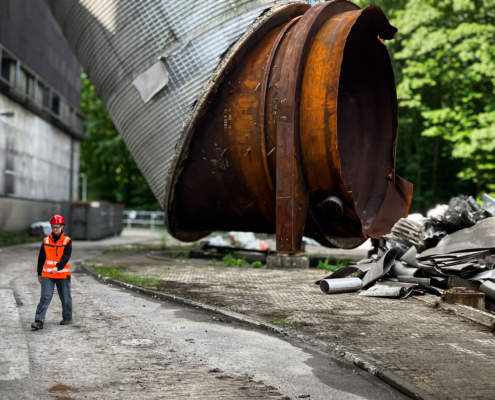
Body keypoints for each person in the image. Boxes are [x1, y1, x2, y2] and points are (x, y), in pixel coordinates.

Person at [31, 215, 73, 330]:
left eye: (57, 227)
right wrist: (39, 273)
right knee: (45, 296)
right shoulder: (46, 240)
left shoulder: (67, 241)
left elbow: (66, 257)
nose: (55, 229)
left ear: (62, 226)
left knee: (65, 297)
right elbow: (41, 258)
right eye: (53, 227)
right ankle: (39, 320)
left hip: (62, 274)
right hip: (47, 274)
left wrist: (57, 267)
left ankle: (67, 317)